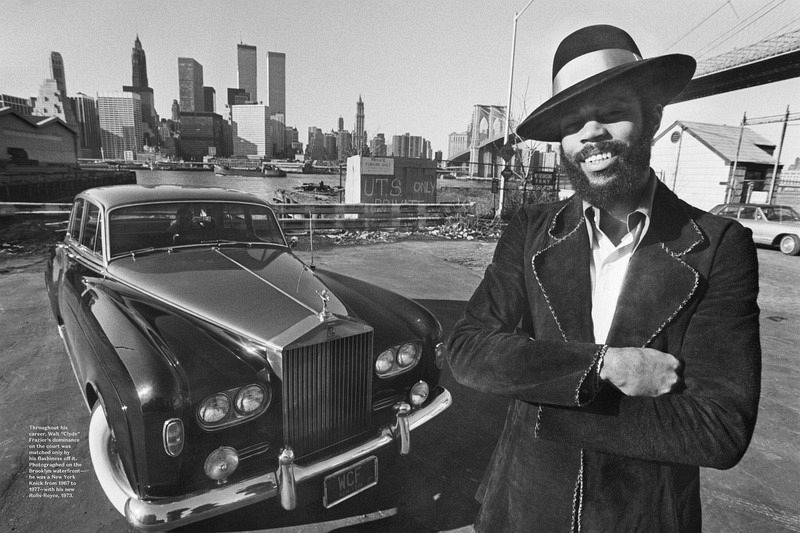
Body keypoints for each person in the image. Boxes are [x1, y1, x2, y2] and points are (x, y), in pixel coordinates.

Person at [446, 24, 761, 532]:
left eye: (612, 112)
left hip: (644, 517)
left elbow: (719, 430)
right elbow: (467, 350)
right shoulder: (531, 230)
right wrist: (604, 367)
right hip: (525, 509)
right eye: (573, 122)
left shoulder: (718, 246)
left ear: (652, 118)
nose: (591, 133)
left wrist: (541, 403)